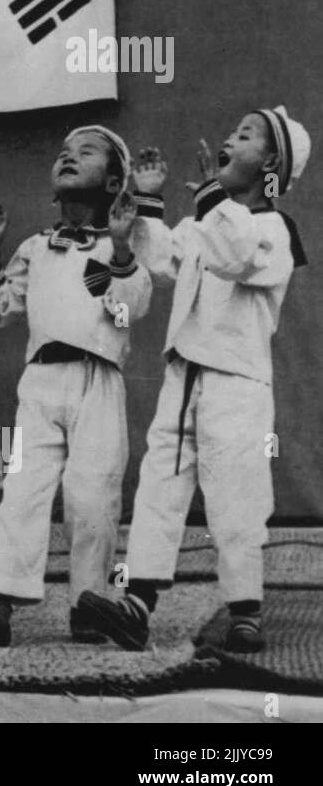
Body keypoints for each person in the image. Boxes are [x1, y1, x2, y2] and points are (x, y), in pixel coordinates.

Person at [77, 108, 309, 654]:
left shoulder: (273, 228)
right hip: (182, 375)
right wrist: (150, 201)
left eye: (245, 136)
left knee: (236, 495)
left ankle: (245, 608)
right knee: (159, 488)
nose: (229, 138)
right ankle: (137, 605)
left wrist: (209, 198)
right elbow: (166, 259)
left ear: (271, 163)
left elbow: (234, 255)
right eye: (231, 131)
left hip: (235, 382)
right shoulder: (209, 219)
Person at [0, 126, 151, 647]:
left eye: (85, 153)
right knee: (22, 492)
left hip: (98, 380)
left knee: (92, 498)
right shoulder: (34, 247)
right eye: (63, 152)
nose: (68, 156)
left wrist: (123, 249)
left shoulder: (120, 245)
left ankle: (90, 607)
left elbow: (132, 307)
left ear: (113, 182)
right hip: (39, 381)